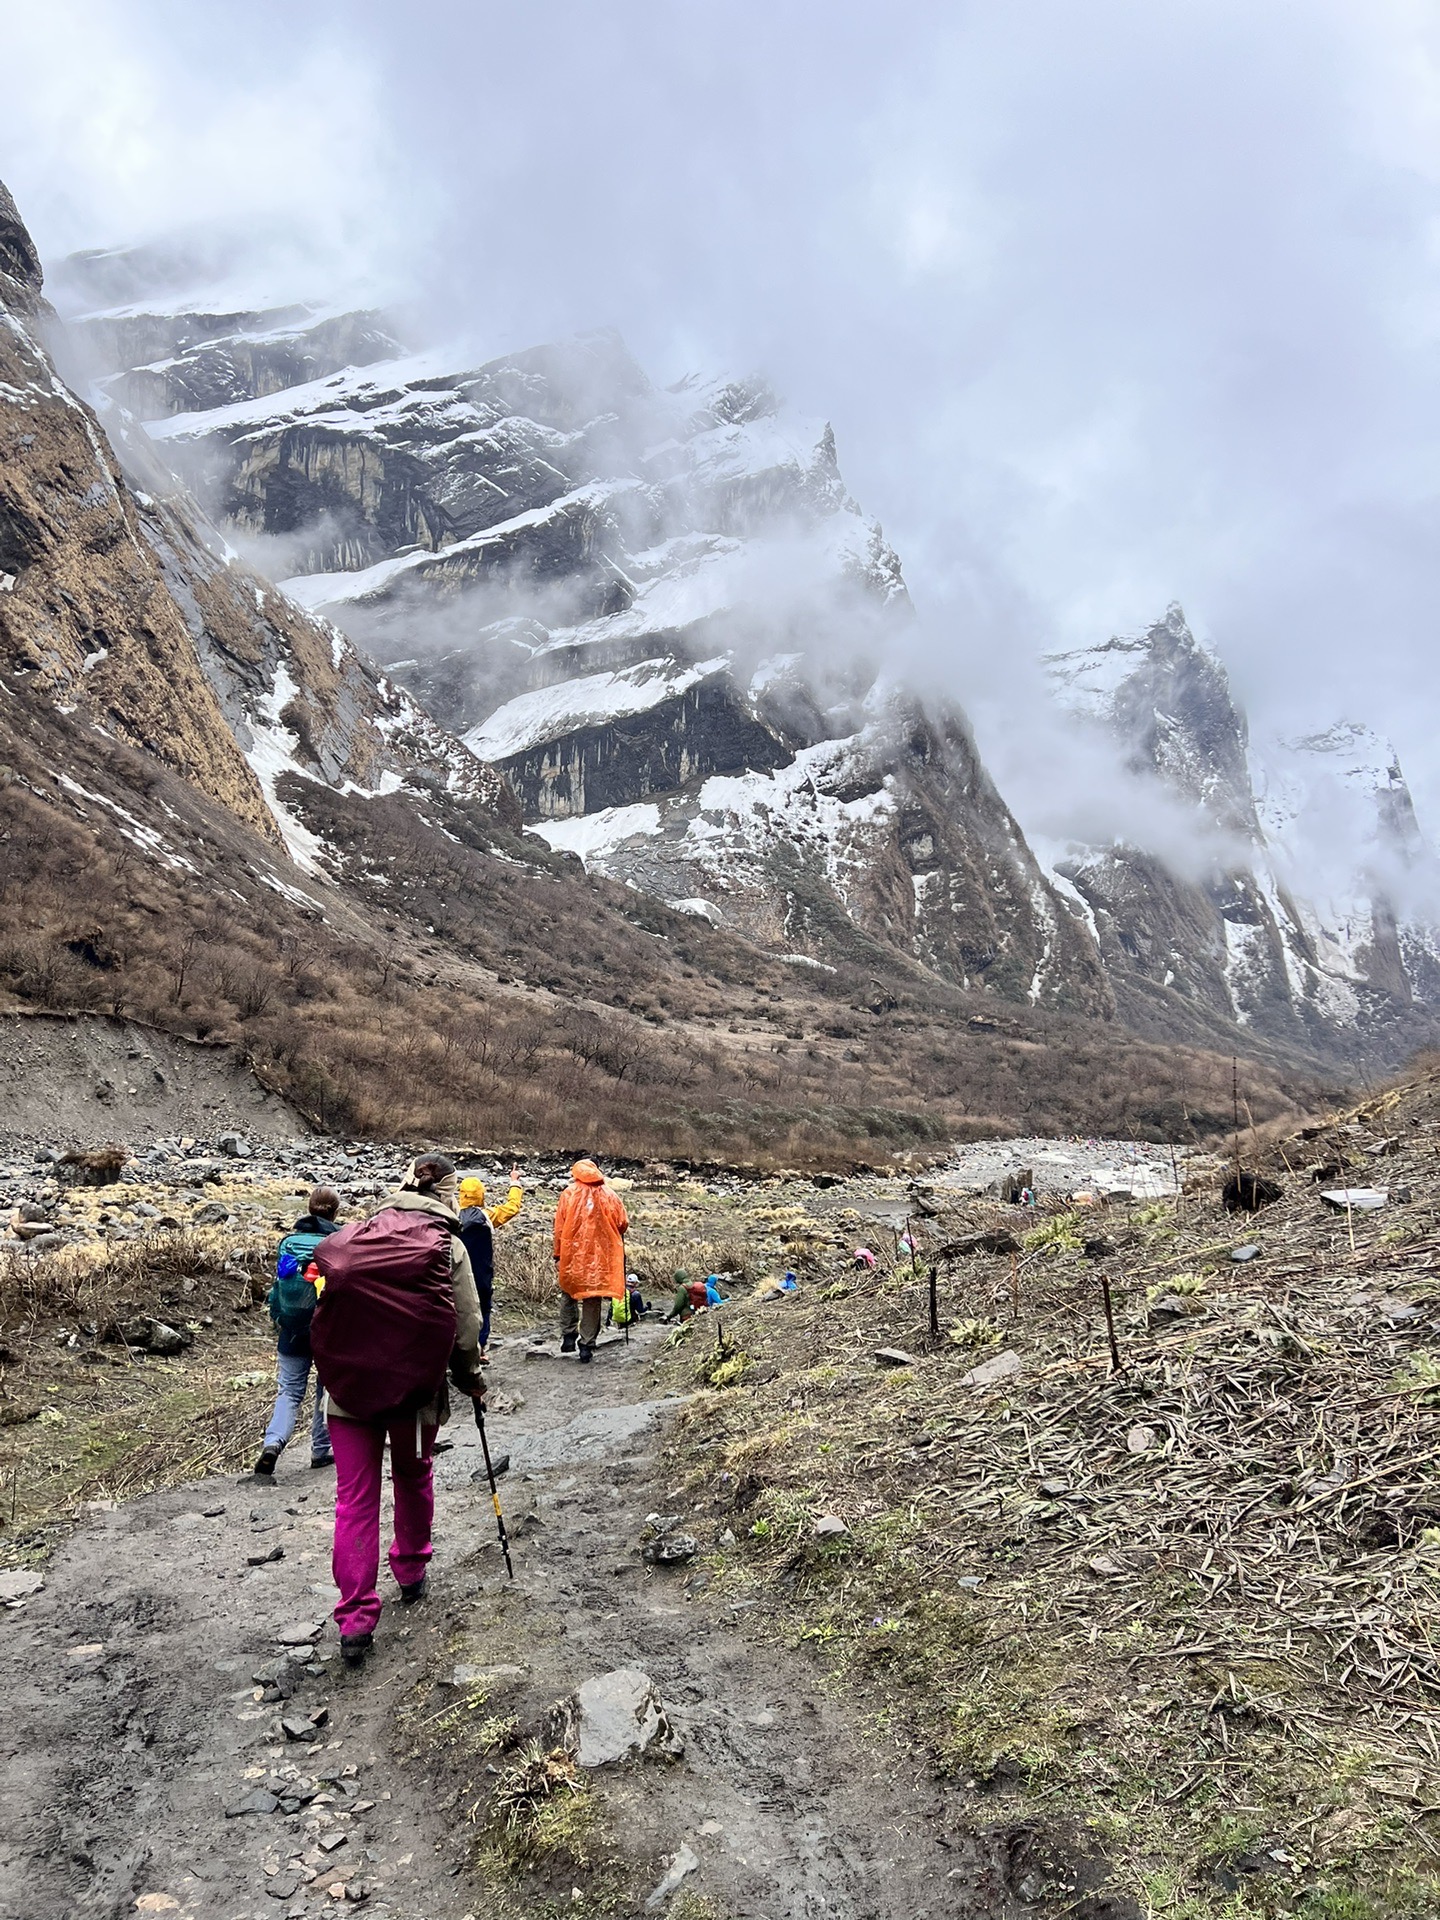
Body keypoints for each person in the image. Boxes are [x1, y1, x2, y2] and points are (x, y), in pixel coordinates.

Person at [316, 1154, 485, 1668]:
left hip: (347, 1394)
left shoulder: (358, 1232)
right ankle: (410, 1571)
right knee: (413, 1479)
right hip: (413, 1396)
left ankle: (355, 1620)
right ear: (448, 1193)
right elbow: (466, 1326)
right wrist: (470, 1379)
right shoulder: (448, 1244)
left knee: (355, 1500)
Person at [255, 1186, 342, 1477]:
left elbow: (278, 1284)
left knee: (289, 1391)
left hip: (291, 1328)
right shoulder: (339, 1241)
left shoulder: (289, 1241)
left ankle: (273, 1443)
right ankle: (320, 1451)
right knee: (325, 1389)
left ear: (309, 1207)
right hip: (328, 1328)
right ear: (335, 1211)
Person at [553, 1158, 628, 1363]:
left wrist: (558, 1254)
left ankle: (568, 1335)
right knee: (592, 1298)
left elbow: (559, 1227)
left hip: (572, 1253)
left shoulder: (568, 1194)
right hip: (600, 1256)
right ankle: (586, 1344)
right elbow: (622, 1223)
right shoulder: (609, 1194)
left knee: (568, 1290)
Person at [456, 1165, 524, 1362]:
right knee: (483, 1308)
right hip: (482, 1273)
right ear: (481, 1195)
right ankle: (481, 1348)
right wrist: (515, 1182)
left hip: (458, 1273)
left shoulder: (450, 1217)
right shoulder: (487, 1216)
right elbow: (513, 1206)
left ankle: (459, 1351)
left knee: (459, 1310)